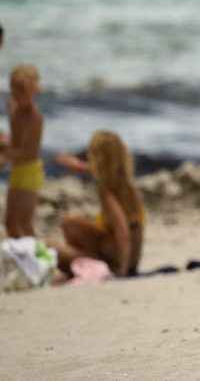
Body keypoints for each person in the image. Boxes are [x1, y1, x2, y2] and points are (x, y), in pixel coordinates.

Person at [54, 131, 145, 277]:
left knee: (55, 250)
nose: (89, 155)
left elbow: (123, 233)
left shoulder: (108, 192)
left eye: (92, 153)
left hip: (118, 260)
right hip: (130, 256)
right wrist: (79, 166)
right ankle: (87, 257)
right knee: (70, 223)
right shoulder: (126, 184)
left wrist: (122, 271)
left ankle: (90, 261)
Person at [2, 65, 44, 238]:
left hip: (29, 172)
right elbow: (14, 136)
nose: (17, 97)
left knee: (24, 223)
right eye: (14, 91)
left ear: (34, 91)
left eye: (22, 93)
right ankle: (20, 255)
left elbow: (27, 152)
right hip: (17, 170)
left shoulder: (34, 118)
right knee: (10, 222)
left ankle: (38, 260)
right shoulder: (14, 107)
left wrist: (5, 153)